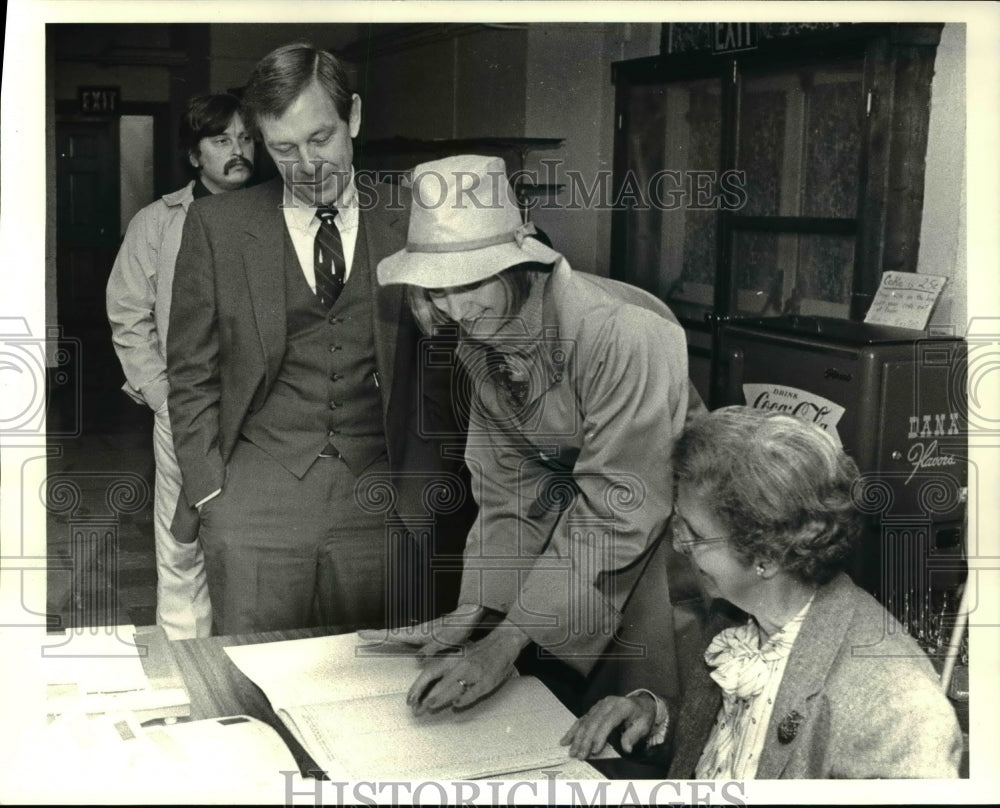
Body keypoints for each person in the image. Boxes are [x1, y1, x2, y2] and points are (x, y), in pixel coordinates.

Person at [371, 154, 703, 715]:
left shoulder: (622, 332)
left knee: (646, 722)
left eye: (470, 283)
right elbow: (506, 490)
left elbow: (623, 505)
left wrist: (505, 643)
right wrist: (473, 611)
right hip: (586, 538)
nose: (455, 309)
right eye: (437, 292)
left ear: (517, 262)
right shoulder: (483, 333)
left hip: (668, 540)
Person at [166, 43, 472, 635]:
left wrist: (434, 480)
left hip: (387, 502)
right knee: (252, 678)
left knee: (377, 695)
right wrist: (209, 491)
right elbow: (190, 372)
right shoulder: (217, 227)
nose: (308, 166)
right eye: (283, 149)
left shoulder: (414, 218)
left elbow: (453, 363)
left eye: (321, 139)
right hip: (253, 498)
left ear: (353, 116)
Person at [561, 406, 963, 778]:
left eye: (696, 535)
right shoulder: (738, 613)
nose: (679, 545)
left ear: (766, 557)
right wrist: (653, 713)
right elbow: (734, 741)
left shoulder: (894, 708)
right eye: (677, 523)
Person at [106, 93, 254, 639]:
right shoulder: (158, 223)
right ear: (194, 155)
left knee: (251, 538)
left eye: (245, 138)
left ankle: (243, 654)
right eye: (221, 141)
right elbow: (127, 311)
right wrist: (162, 395)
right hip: (186, 407)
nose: (237, 151)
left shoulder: (282, 215)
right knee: (182, 541)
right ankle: (186, 660)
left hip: (264, 412)